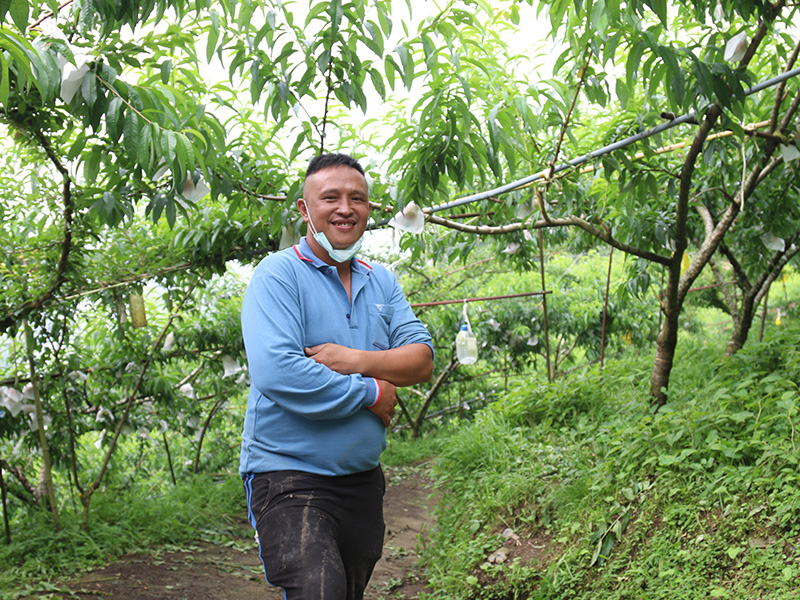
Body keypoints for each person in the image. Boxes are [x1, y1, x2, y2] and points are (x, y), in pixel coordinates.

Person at [239, 152, 434, 600]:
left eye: (357, 199)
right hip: (288, 475)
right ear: (305, 210)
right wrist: (371, 392)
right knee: (318, 590)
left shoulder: (381, 281)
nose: (345, 208)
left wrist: (355, 359)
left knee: (346, 590)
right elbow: (279, 372)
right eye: (330, 197)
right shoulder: (278, 276)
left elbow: (421, 359)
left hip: (361, 477)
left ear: (369, 211)